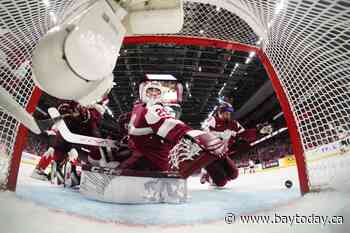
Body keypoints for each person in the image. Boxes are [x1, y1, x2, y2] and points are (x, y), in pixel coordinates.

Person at [118, 74, 226, 179]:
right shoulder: (139, 108)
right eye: (150, 90)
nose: (153, 94)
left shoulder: (154, 108)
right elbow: (132, 127)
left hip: (151, 158)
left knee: (118, 175)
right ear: (144, 92)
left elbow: (169, 123)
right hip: (142, 154)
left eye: (157, 91)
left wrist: (193, 134)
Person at [31, 101, 103, 181]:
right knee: (58, 151)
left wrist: (75, 148)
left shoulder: (90, 121)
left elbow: (92, 136)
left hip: (82, 140)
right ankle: (57, 170)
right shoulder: (71, 120)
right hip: (70, 138)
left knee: (69, 153)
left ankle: (67, 169)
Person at [200, 102, 244, 187]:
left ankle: (218, 175)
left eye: (229, 113)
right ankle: (207, 174)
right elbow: (204, 135)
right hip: (209, 156)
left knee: (234, 174)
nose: (228, 115)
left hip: (222, 155)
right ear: (220, 113)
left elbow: (244, 133)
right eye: (226, 113)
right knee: (221, 183)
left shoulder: (233, 124)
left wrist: (258, 131)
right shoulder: (212, 120)